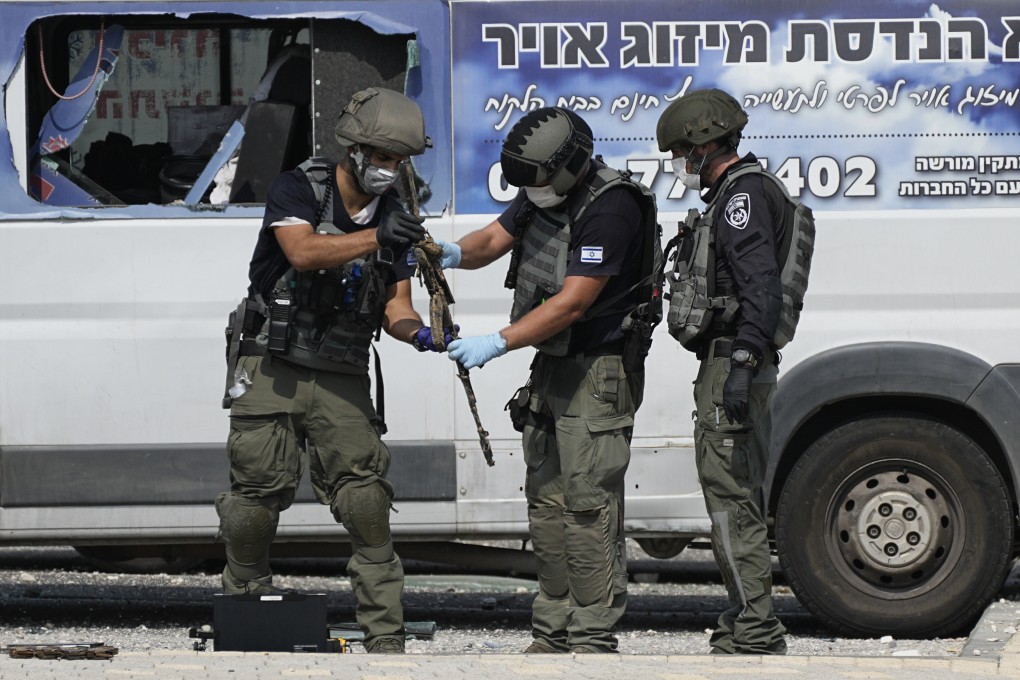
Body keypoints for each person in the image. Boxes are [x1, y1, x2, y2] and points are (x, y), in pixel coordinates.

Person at [216, 86, 451, 655]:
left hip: (342, 373)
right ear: (355, 151)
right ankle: (247, 621)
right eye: (382, 158)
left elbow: (396, 305)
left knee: (367, 503)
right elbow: (301, 252)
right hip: (272, 364)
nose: (390, 171)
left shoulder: (399, 211)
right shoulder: (300, 187)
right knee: (253, 503)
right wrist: (375, 237)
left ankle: (385, 638)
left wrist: (420, 333)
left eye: (399, 161)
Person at [434, 107, 659, 654]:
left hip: (597, 369)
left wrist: (498, 341)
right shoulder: (547, 192)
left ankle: (591, 637)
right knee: (546, 502)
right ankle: (552, 630)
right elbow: (492, 240)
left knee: (587, 505)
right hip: (553, 368)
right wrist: (450, 253)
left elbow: (574, 301)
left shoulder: (611, 208)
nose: (529, 193)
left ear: (569, 166)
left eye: (536, 182)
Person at [655, 88, 790, 655]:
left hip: (734, 360)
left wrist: (740, 362)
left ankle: (757, 625)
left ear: (706, 143)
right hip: (736, 360)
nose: (682, 166)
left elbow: (760, 288)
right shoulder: (740, 193)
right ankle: (745, 614)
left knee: (731, 498)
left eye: (684, 153)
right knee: (735, 495)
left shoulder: (743, 197)